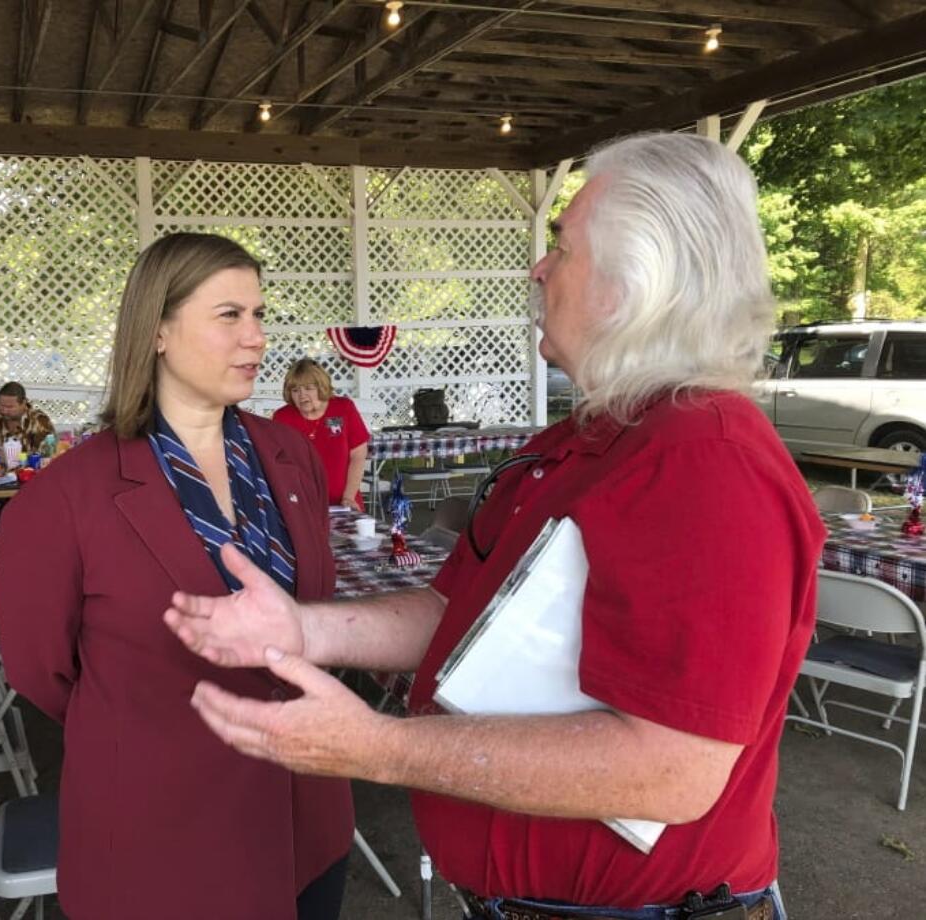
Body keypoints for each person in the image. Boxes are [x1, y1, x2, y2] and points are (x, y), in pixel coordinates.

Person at [162, 134, 826, 920]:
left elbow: (670, 769)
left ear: (631, 284)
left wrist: (376, 747)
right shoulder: (593, 436)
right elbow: (460, 612)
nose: (538, 268)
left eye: (562, 246)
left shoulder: (704, 458)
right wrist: (305, 631)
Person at [0, 233, 353, 920]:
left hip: (307, 818)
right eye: (229, 316)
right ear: (157, 328)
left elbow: (316, 609)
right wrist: (153, 723)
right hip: (160, 836)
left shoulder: (288, 457)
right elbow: (41, 671)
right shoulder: (64, 497)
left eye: (259, 314)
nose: (256, 337)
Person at [273, 358, 370, 511]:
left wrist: (348, 497)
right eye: (295, 390)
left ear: (321, 387)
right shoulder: (283, 417)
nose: (302, 395)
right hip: (302, 506)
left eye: (308, 388)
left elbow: (358, 455)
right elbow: (278, 464)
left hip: (344, 503)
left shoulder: (343, 408)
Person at [0, 381, 55, 453]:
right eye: (1, 405)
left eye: (9, 407)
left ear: (24, 403)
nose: (4, 410)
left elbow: (47, 454)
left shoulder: (39, 421)